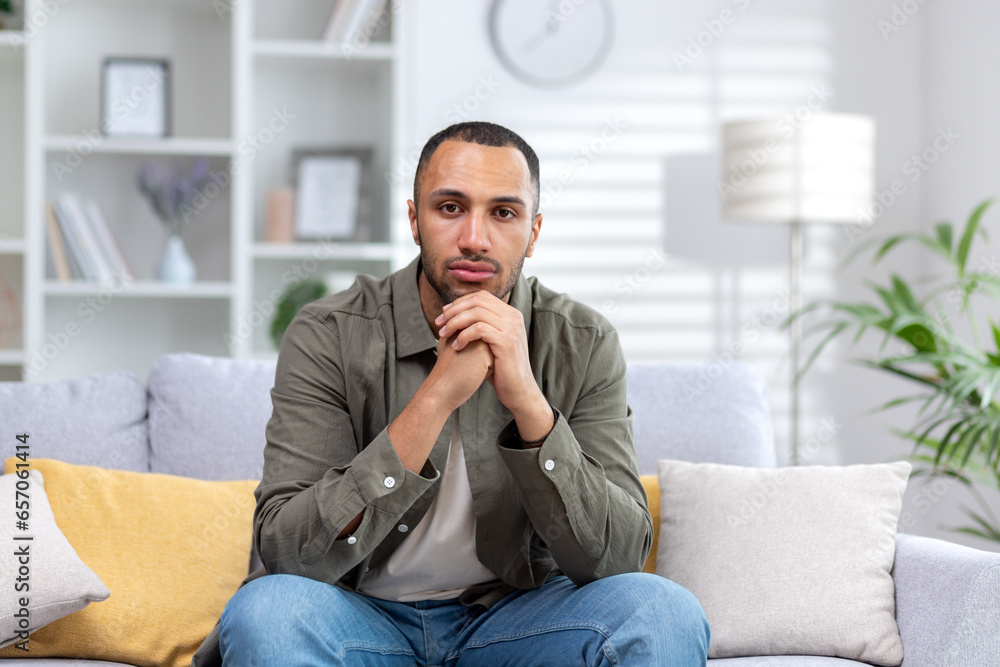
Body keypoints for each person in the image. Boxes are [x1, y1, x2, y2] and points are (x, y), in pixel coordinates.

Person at [212, 121, 710, 666]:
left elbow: (615, 561)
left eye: (503, 213)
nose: (475, 238)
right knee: (265, 613)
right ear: (414, 220)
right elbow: (287, 551)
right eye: (450, 208)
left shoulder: (583, 341)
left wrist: (530, 406)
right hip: (358, 616)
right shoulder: (330, 332)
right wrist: (434, 398)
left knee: (664, 613)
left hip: (517, 621)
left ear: (534, 232)